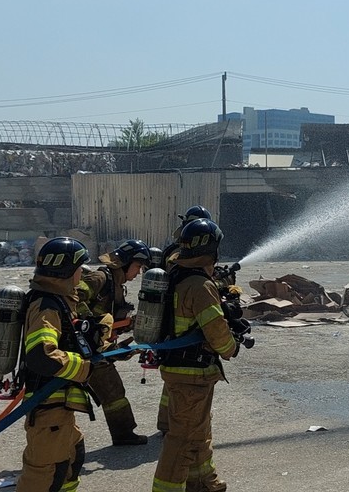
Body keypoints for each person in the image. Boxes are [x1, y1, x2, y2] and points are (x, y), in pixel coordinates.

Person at [152, 218, 237, 492]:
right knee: (182, 440)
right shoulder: (199, 286)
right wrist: (231, 348)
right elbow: (216, 330)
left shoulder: (177, 274)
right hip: (192, 373)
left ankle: (202, 482)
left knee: (198, 433)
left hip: (183, 370)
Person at [17, 237, 104, 492]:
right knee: (43, 478)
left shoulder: (58, 300)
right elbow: (41, 355)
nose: (82, 273)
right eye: (80, 267)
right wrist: (84, 367)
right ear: (66, 270)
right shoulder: (46, 306)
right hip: (47, 409)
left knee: (71, 460)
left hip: (58, 409)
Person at [77, 239, 151, 446]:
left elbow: (108, 319)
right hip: (83, 350)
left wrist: (130, 324)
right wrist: (89, 325)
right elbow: (73, 297)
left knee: (113, 392)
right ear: (125, 263)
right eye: (137, 267)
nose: (138, 273)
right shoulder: (100, 277)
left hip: (97, 348)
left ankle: (123, 433)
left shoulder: (117, 285)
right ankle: (123, 434)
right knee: (112, 392)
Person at [156, 205, 213, 435]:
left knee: (173, 377)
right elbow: (190, 281)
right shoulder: (179, 253)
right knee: (182, 373)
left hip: (170, 317)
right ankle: (176, 424)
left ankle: (167, 423)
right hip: (181, 318)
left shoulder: (176, 248)